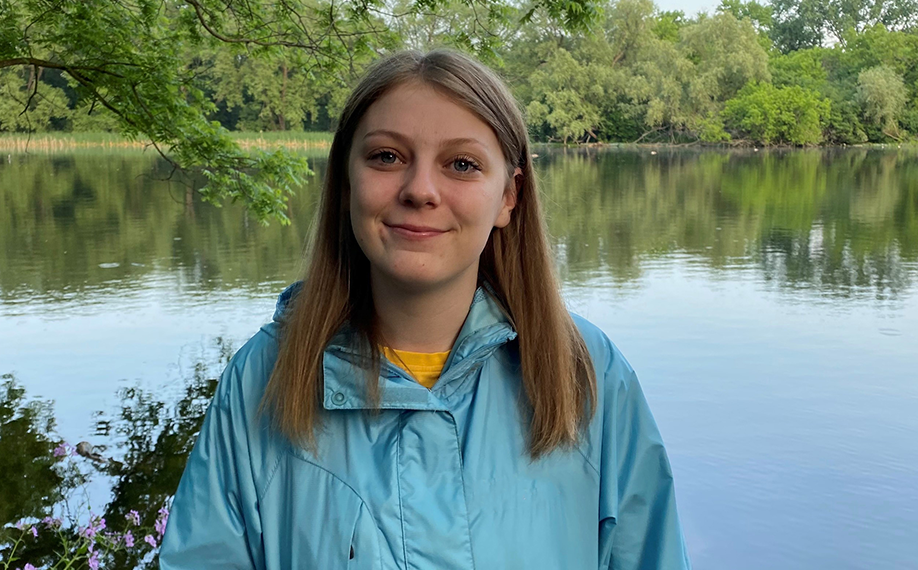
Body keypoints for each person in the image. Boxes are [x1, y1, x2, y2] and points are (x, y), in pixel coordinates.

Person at [160, 48, 690, 570]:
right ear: (347, 181)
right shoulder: (262, 380)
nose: (420, 190)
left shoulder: (587, 373)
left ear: (509, 196)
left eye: (462, 164)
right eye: (387, 157)